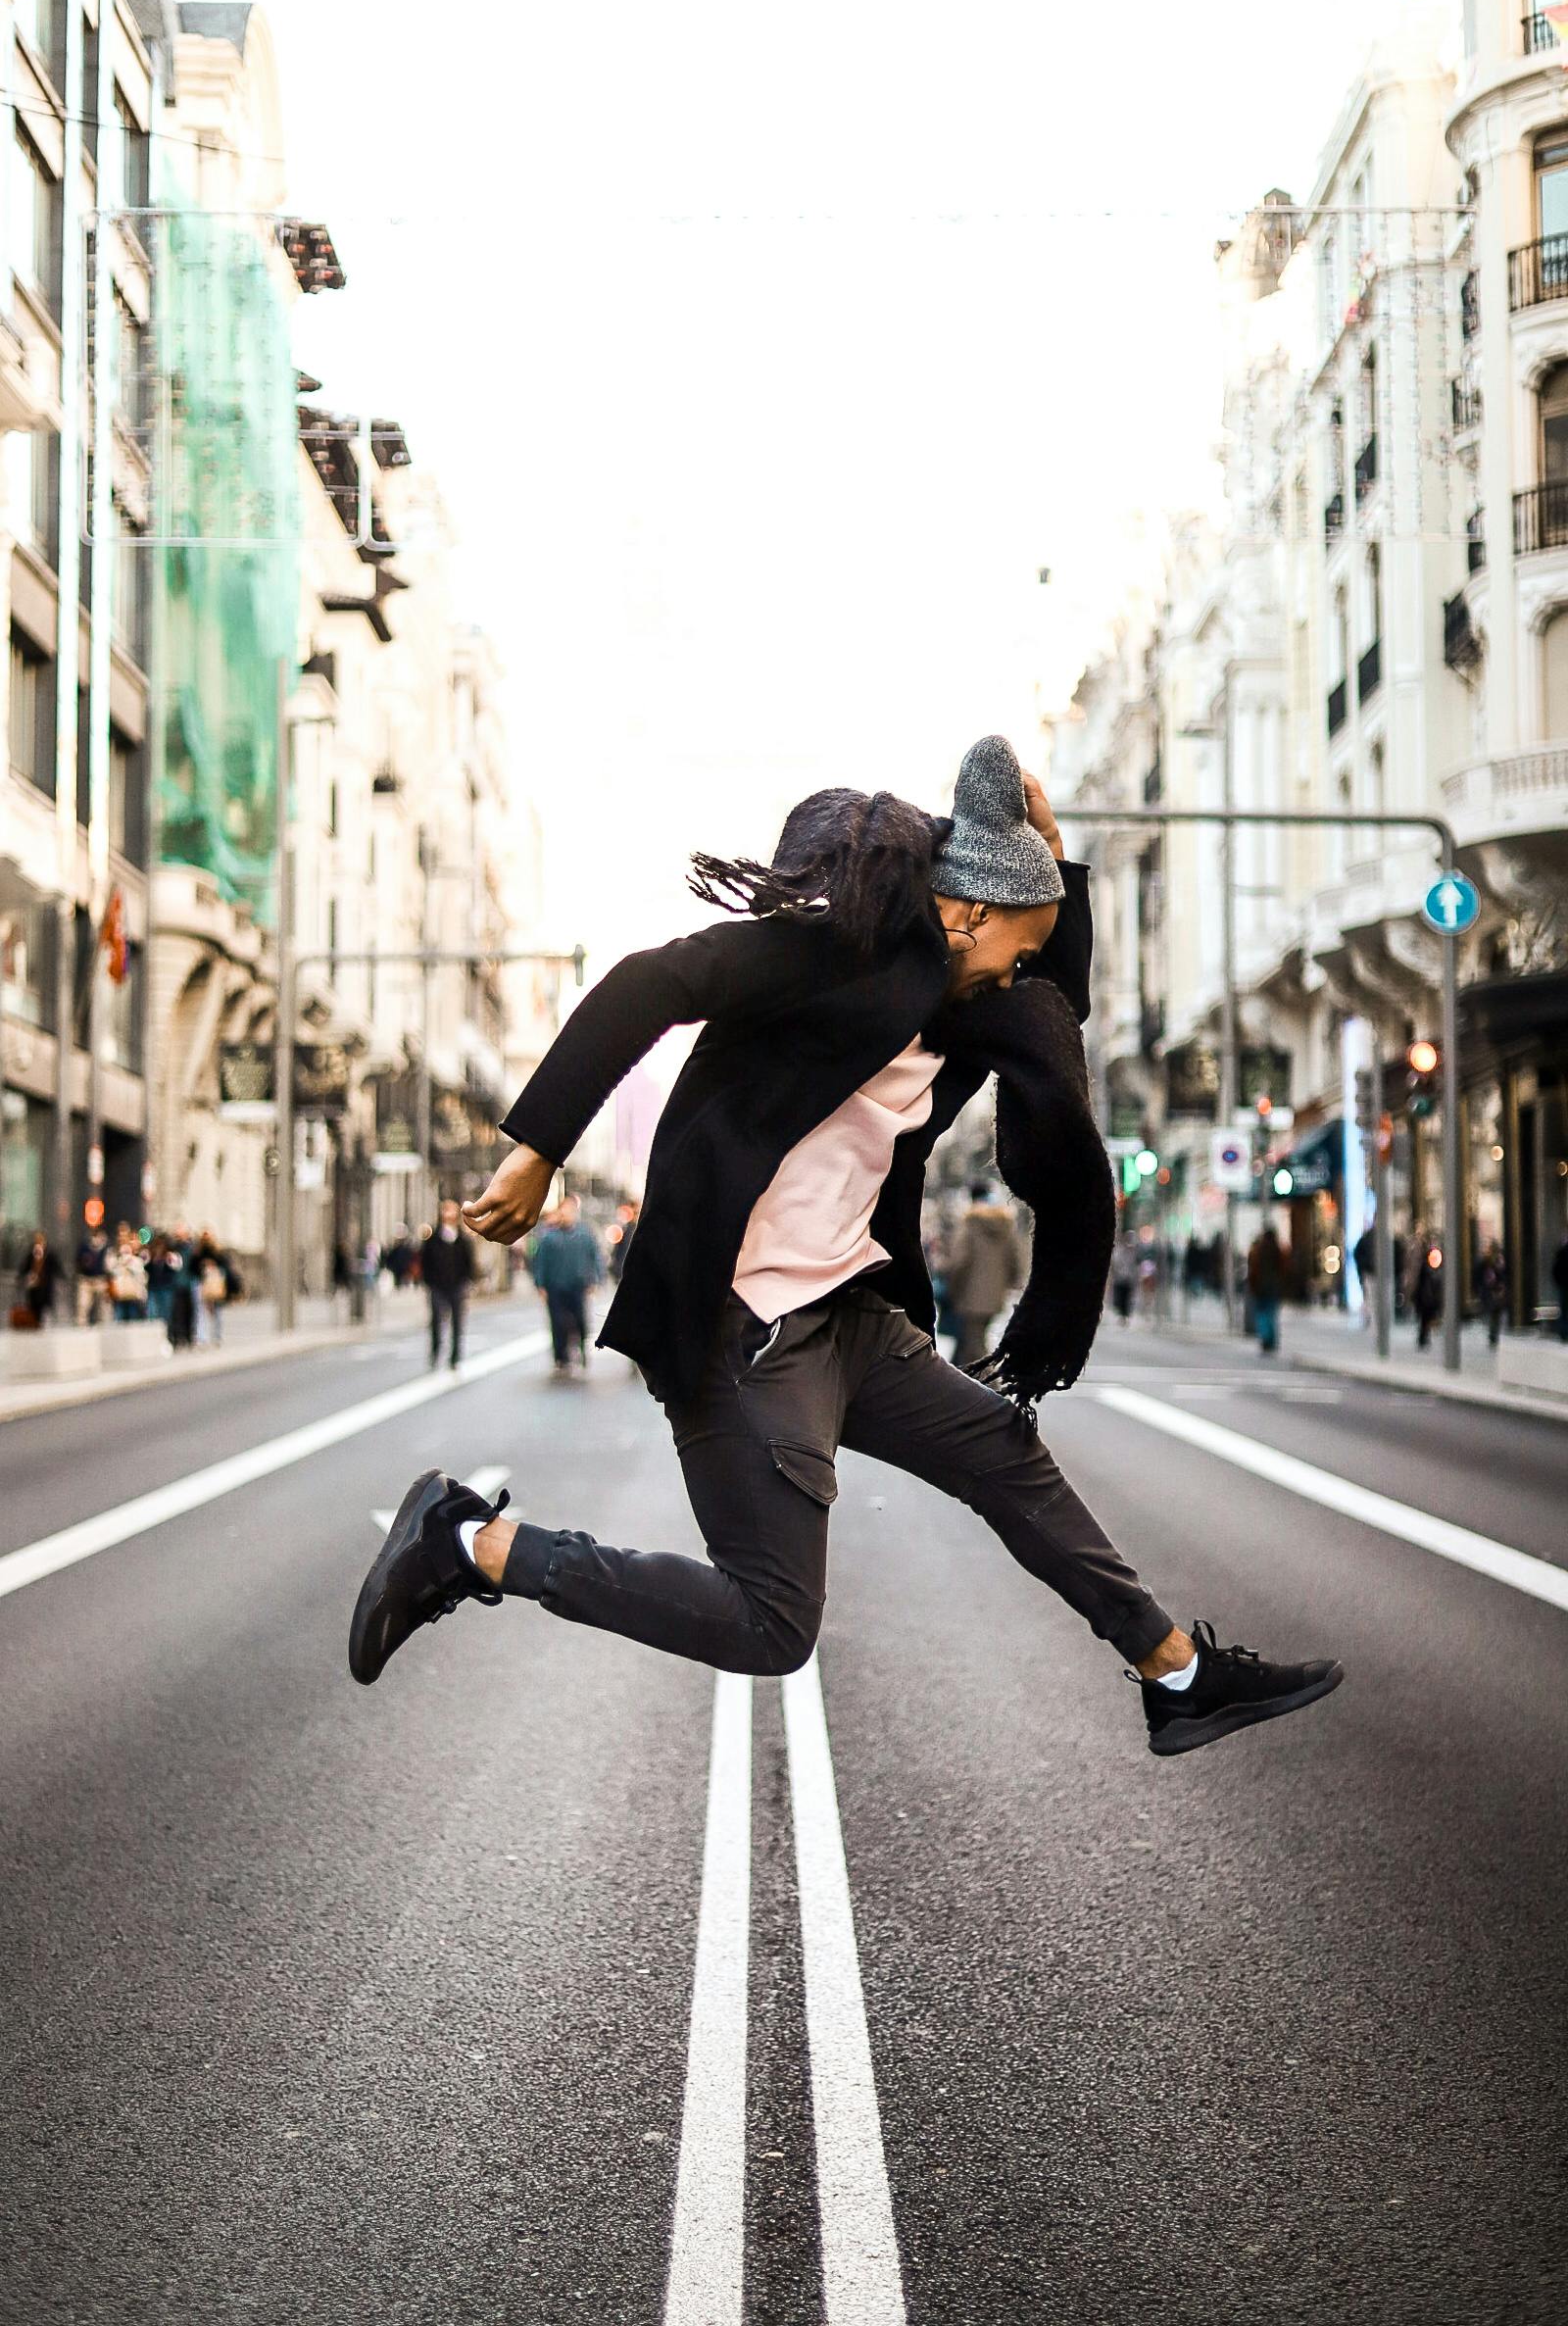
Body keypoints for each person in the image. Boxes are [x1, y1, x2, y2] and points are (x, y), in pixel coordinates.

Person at [350, 735, 1343, 1757]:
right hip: (745, 1324)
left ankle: (1175, 1674)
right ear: (966, 915)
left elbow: (1058, 1000)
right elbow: (651, 983)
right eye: (1015, 948)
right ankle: (466, 1543)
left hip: (851, 1317)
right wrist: (536, 1149)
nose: (1019, 976)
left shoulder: (965, 1011)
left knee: (1005, 1455)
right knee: (769, 1625)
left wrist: (1055, 856)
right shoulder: (832, 958)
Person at [941, 1183, 1027, 1367]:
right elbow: (1015, 1260)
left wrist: (952, 1287)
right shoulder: (1006, 1224)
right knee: (969, 1344)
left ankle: (992, 1388)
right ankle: (963, 1385)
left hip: (970, 1296)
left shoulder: (970, 1224)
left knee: (975, 1346)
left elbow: (960, 1261)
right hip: (995, 1296)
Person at [529, 1194, 606, 1371]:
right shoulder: (549, 1238)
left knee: (580, 1320)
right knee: (557, 1322)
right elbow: (540, 1262)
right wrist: (540, 1284)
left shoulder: (584, 1235)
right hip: (555, 1287)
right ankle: (560, 1357)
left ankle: (582, 1350)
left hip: (577, 1286)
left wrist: (596, 1280)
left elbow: (595, 1257)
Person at [421, 1199, 474, 1370]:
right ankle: (436, 1352)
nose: (449, 1214)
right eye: (446, 1210)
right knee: (436, 1321)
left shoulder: (463, 1240)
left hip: (457, 1286)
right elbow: (425, 1262)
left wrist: (466, 1282)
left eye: (452, 1211)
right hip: (437, 1286)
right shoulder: (432, 1239)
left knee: (457, 1322)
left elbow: (468, 1262)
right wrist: (429, 1282)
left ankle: (455, 1357)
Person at [1247, 1222, 1290, 1355]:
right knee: (1271, 1314)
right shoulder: (1279, 1250)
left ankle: (1266, 1338)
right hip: (1274, 1287)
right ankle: (1271, 1339)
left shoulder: (1257, 1251)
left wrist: (1253, 1285)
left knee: (1262, 1314)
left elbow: (1253, 1270)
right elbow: (1284, 1270)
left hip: (1261, 1287)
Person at [14, 1231, 62, 1326]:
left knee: (44, 1304)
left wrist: (61, 1275)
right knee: (33, 1305)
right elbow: (25, 1266)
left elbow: (56, 1266)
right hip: (33, 1285)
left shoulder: (49, 1253)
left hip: (45, 1285)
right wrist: (21, 1276)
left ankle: (43, 1322)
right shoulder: (31, 1254)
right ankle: (36, 1322)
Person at [106, 1222, 148, 1321]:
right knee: (119, 1321)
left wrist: (131, 1260)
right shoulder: (113, 1252)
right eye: (120, 1234)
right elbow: (110, 1268)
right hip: (119, 1293)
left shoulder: (137, 1252)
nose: (122, 1237)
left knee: (133, 1321)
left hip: (133, 1293)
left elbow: (141, 1269)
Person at [1410, 1235, 1444, 1351]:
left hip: (1430, 1297)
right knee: (1425, 1319)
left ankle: (1424, 1338)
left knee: (1427, 1319)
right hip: (1425, 1297)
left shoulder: (1434, 1266)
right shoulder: (1425, 1267)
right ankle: (1423, 1339)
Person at [1473, 1239, 1507, 1351]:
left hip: (1496, 1291)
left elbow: (1503, 1276)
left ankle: (1493, 1334)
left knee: (1495, 1314)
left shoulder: (1499, 1262)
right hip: (1489, 1292)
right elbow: (1478, 1277)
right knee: (1493, 1314)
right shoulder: (1484, 1263)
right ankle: (1493, 1334)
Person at [74, 1227, 110, 1326]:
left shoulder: (106, 1247)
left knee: (103, 1307)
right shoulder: (84, 1246)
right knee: (83, 1305)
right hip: (86, 1280)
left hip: (101, 1280)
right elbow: (78, 1262)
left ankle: (105, 1326)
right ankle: (81, 1326)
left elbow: (109, 1265)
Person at [1109, 1232, 1138, 1325]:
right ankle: (1122, 1315)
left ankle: (1125, 1315)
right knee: (1120, 1296)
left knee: (1127, 1297)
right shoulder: (1119, 1250)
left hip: (1129, 1278)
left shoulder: (1134, 1252)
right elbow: (1115, 1262)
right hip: (1121, 1277)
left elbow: (1135, 1265)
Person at [1553, 1229, 1568, 1344]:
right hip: (1563, 1285)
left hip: (1563, 1285)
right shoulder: (1562, 1252)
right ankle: (1563, 1332)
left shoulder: (1561, 1252)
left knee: (1564, 1310)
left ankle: (1563, 1333)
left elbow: (1555, 1269)